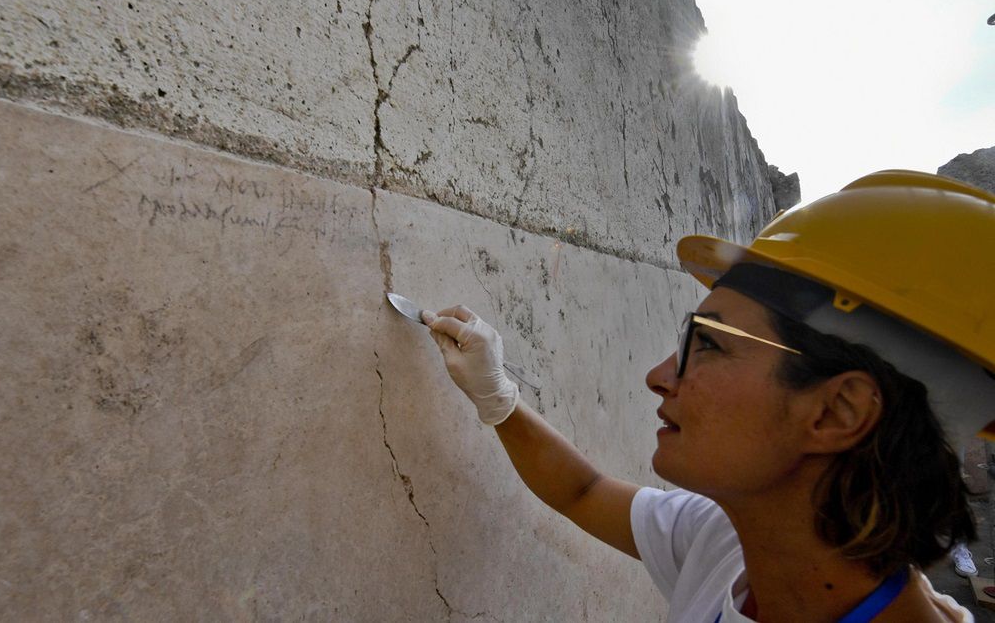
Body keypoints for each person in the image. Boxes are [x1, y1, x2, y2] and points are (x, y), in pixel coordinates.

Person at [422, 170, 995, 622]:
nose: (658, 375)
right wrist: (497, 396)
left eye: (711, 344)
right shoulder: (733, 545)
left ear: (837, 411)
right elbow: (582, 491)